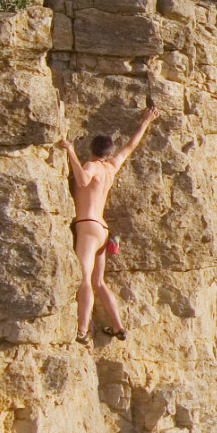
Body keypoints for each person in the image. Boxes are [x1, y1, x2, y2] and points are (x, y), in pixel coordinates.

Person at [59, 105, 157, 345]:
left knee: (84, 279)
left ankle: (82, 330)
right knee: (98, 282)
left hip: (88, 226)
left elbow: (83, 180)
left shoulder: (91, 166)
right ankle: (117, 325)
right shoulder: (111, 167)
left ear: (91, 150)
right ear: (108, 152)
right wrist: (145, 122)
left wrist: (70, 152)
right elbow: (130, 146)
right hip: (103, 231)